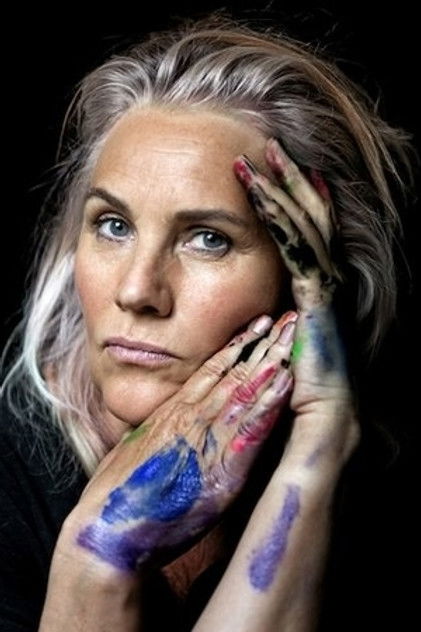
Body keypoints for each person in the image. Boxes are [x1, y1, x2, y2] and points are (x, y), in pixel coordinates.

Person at [0, 11, 417, 632]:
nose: (137, 291)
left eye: (208, 239)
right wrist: (97, 561)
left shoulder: (379, 506)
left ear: (305, 278)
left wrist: (321, 442)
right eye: (112, 225)